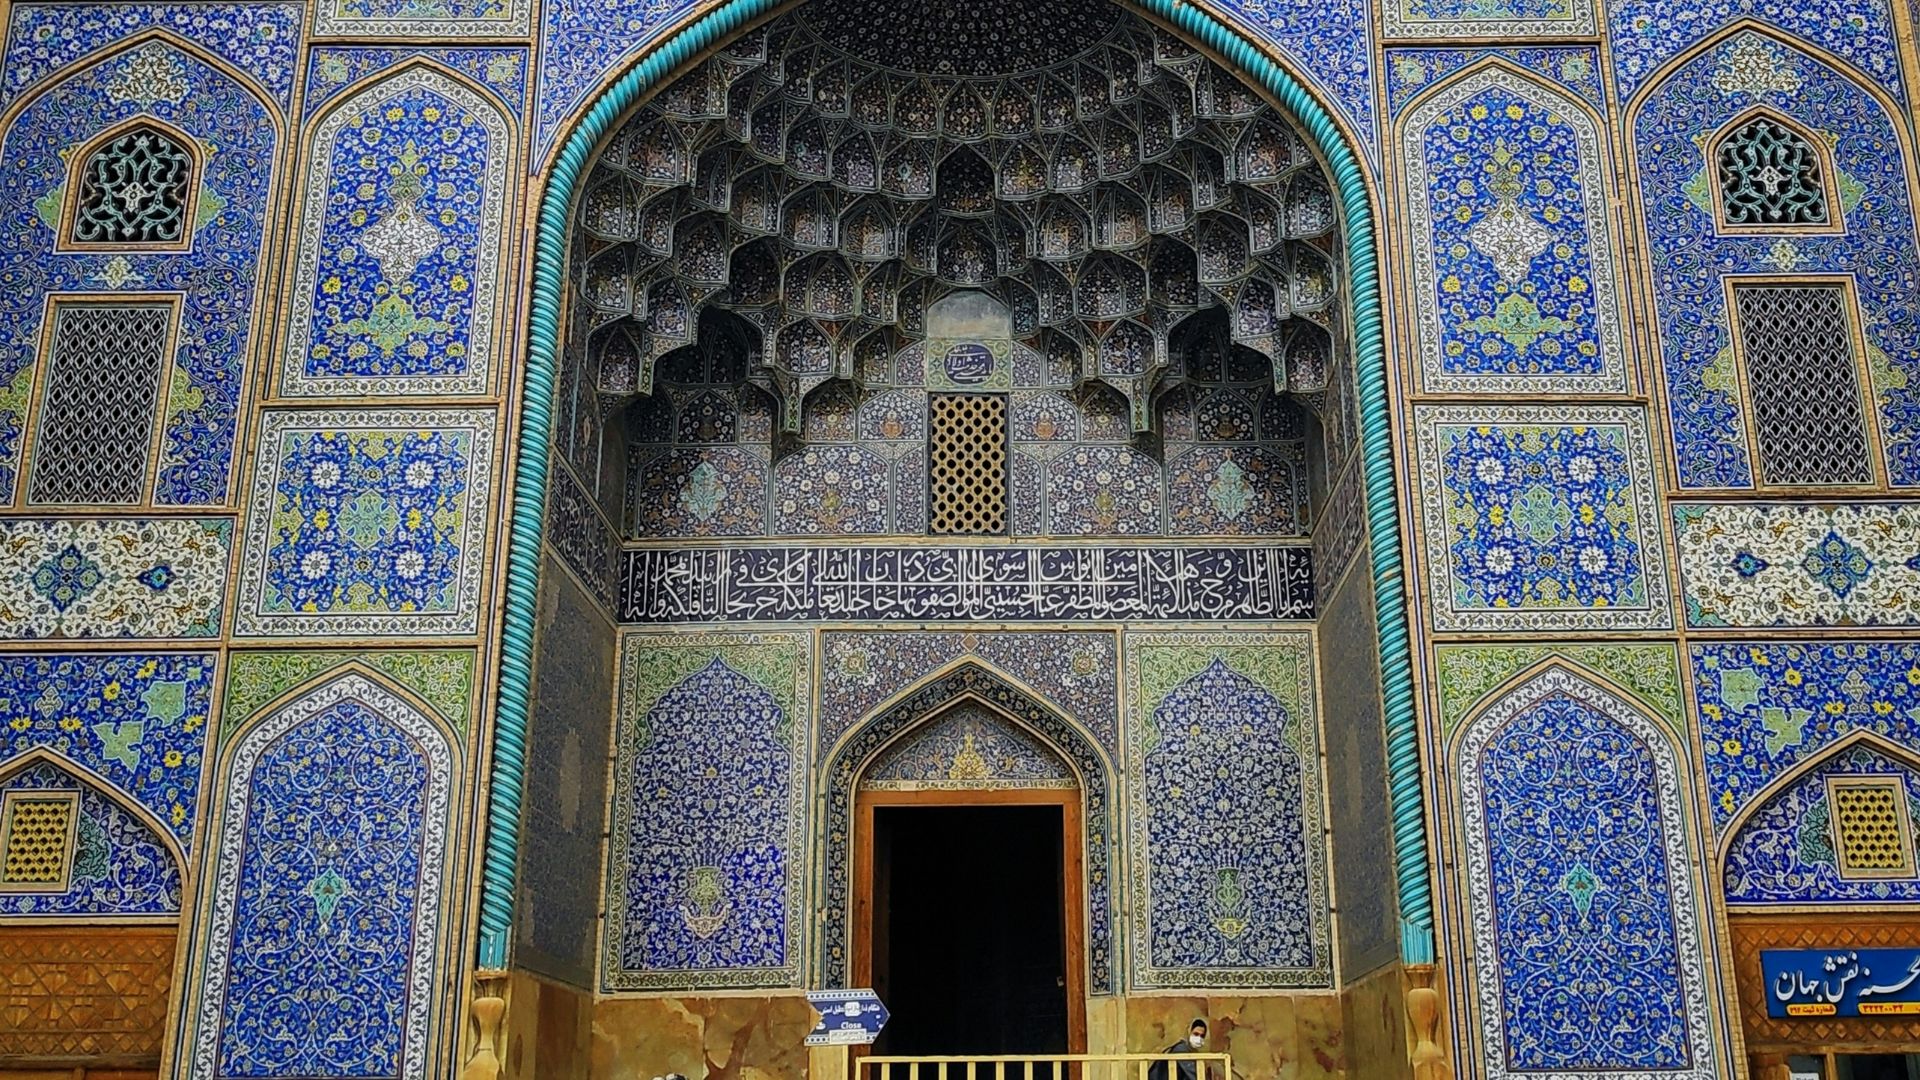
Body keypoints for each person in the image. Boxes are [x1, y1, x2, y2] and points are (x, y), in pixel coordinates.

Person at [1145, 1018, 1209, 1080]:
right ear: (1189, 1032)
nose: (1198, 1038)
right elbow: (1193, 1075)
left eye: (1202, 1036)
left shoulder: (1191, 1051)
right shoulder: (1181, 1049)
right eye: (1196, 1034)